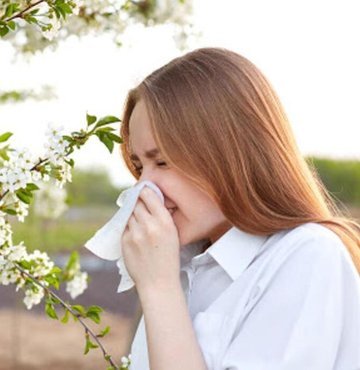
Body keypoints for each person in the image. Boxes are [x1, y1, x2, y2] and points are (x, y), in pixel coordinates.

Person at [117, 47, 360, 370]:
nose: (144, 188)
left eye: (162, 161)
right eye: (139, 166)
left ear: (229, 151)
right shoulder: (184, 266)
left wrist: (159, 289)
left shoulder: (307, 255)